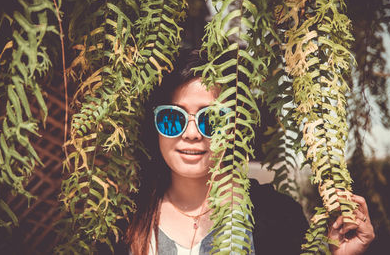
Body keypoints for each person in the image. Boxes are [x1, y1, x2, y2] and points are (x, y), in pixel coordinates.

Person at [121, 49, 375, 255]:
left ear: (236, 127)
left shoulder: (279, 216)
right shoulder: (124, 221)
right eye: (172, 119)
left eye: (210, 119)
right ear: (154, 127)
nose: (191, 133)